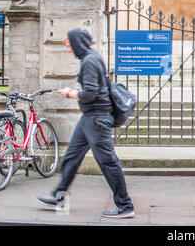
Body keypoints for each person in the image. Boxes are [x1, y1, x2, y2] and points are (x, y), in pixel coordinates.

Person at [36, 28, 134, 219]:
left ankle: (125, 206)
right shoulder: (90, 58)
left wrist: (69, 93)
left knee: (108, 163)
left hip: (97, 118)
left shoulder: (89, 61)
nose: (69, 49)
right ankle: (59, 196)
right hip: (89, 118)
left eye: (69, 45)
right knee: (71, 157)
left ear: (77, 43)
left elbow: (90, 93)